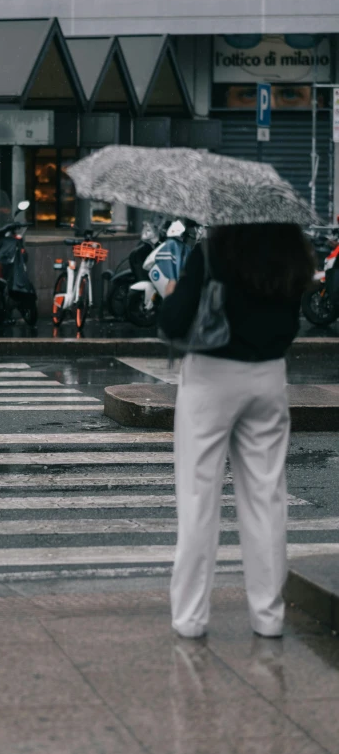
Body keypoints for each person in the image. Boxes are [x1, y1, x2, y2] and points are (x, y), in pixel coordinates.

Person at [159, 224, 315, 639]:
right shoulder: (291, 250)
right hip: (268, 376)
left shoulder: (213, 251)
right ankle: (268, 615)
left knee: (198, 496)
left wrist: (174, 292)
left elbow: (175, 321)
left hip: (211, 377)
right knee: (266, 497)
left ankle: (190, 617)